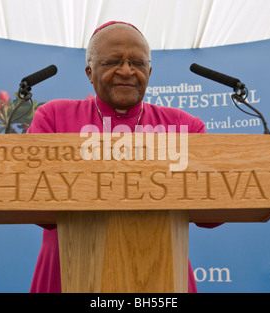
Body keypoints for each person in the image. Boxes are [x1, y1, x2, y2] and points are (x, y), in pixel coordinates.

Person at [27, 21, 222, 293]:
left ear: (149, 71)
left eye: (138, 63)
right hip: (69, 268)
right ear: (89, 71)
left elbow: (211, 214)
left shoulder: (184, 126)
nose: (127, 70)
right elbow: (32, 199)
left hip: (159, 275)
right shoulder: (54, 117)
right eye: (113, 61)